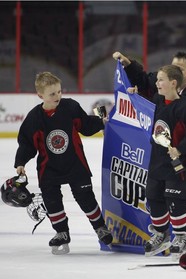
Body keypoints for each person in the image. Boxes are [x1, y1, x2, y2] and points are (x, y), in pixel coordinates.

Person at [112, 51, 186, 246]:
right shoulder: (161, 93)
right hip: (169, 155)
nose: (175, 70)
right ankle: (183, 231)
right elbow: (143, 80)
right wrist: (128, 64)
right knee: (176, 193)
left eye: (180, 68)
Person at [14, 72, 113, 255]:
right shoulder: (34, 118)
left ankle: (100, 228)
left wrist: (101, 123)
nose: (57, 96)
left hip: (75, 164)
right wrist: (20, 162)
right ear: (40, 95)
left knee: (86, 198)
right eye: (52, 94)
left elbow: (85, 125)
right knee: (52, 202)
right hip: (48, 168)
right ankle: (62, 232)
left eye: (59, 92)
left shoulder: (70, 107)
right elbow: (27, 143)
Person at [129, 65, 186, 256]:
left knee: (175, 199)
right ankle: (161, 233)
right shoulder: (158, 101)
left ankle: (180, 235)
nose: (157, 84)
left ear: (173, 83)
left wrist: (179, 149)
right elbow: (146, 110)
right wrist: (134, 96)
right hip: (158, 161)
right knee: (154, 197)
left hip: (179, 164)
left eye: (160, 80)